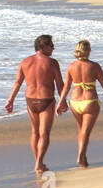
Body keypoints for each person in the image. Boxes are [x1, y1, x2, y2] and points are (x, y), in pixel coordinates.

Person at [4, 35, 63, 173]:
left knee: (35, 132)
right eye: (51, 44)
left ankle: (38, 161)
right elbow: (60, 84)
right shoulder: (52, 62)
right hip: (46, 100)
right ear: (42, 47)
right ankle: (39, 162)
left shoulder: (25, 62)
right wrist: (63, 101)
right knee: (44, 134)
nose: (53, 47)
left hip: (30, 100)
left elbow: (17, 82)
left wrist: (10, 100)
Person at [55, 39, 103, 168]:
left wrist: (60, 102)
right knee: (85, 132)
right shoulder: (94, 66)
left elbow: (66, 87)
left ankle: (83, 158)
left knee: (81, 130)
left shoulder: (71, 66)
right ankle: (80, 156)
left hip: (74, 101)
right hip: (90, 101)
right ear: (88, 51)